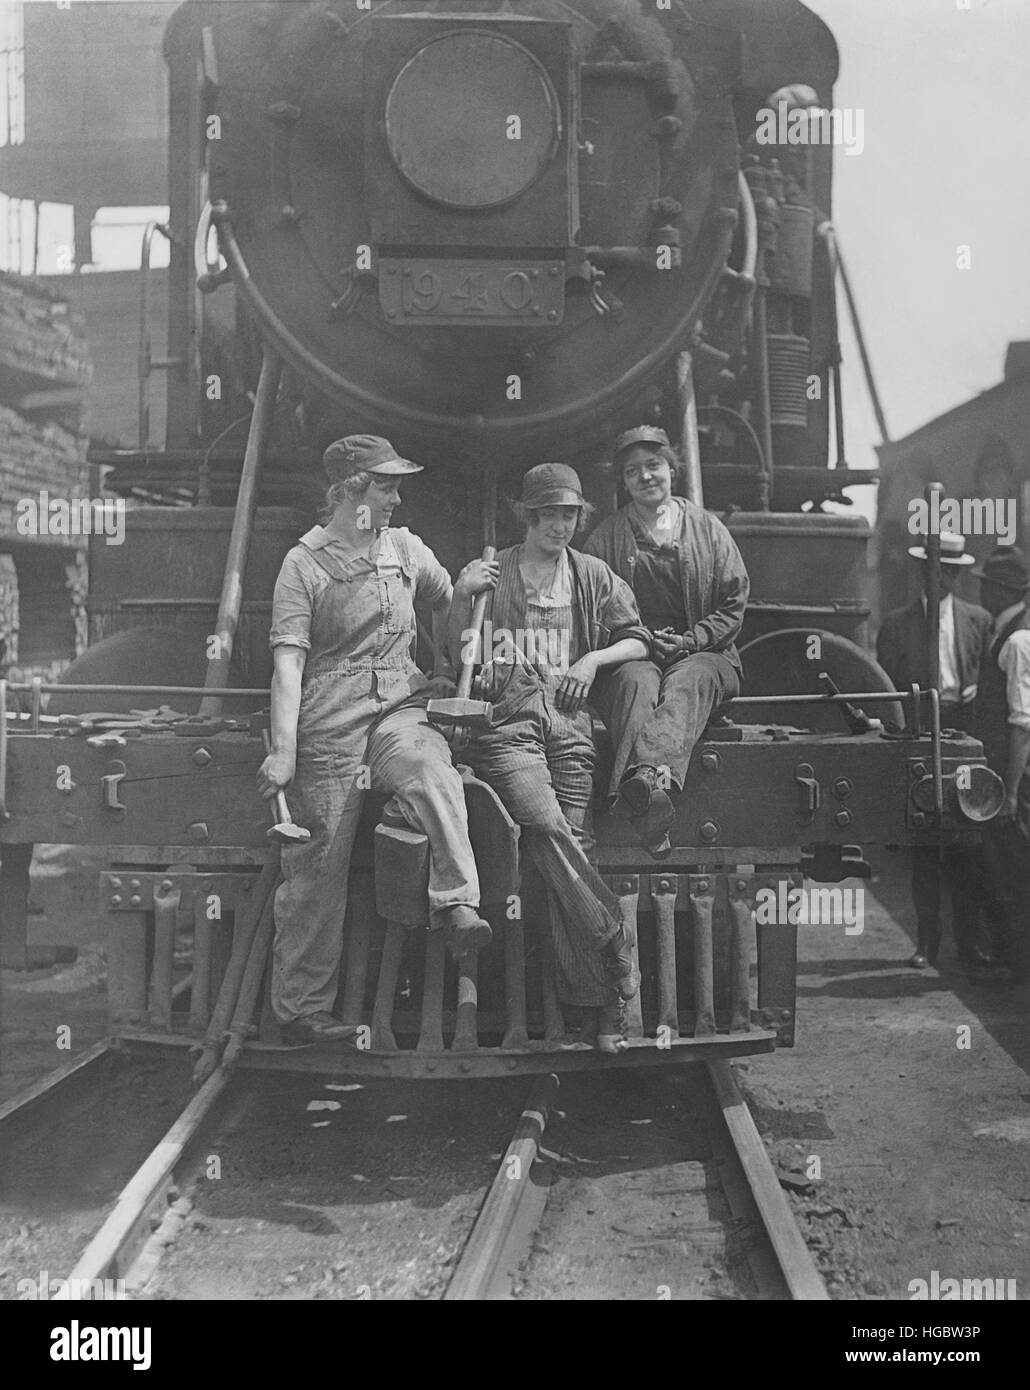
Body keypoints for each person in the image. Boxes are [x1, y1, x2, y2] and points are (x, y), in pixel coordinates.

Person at [259, 435, 490, 1045]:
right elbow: (288, 667)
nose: (396, 496)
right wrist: (284, 752)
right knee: (317, 859)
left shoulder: (407, 548)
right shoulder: (303, 565)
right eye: (385, 485)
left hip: (398, 703)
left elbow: (446, 606)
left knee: (429, 769)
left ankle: (458, 902)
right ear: (349, 490)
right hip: (329, 719)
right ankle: (303, 1011)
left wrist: (463, 592)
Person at [449, 463, 649, 1052]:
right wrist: (462, 596)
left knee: (574, 842)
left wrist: (594, 660)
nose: (560, 526)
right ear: (529, 516)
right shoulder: (495, 570)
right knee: (542, 821)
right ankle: (614, 932)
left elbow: (639, 637)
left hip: (570, 722)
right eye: (549, 515)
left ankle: (601, 1007)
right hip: (508, 725)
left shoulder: (590, 574)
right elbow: (456, 650)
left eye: (569, 515)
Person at [581, 426, 749, 856]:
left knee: (686, 681)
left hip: (706, 654)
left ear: (671, 469)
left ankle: (641, 783)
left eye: (654, 466)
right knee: (636, 684)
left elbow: (734, 602)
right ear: (623, 482)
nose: (645, 477)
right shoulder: (605, 538)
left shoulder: (708, 529)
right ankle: (653, 805)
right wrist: (634, 642)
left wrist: (692, 640)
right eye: (633, 471)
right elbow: (592, 610)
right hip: (635, 653)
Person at [876, 526, 993, 970]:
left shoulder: (978, 621)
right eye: (932, 570)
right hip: (919, 736)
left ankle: (969, 944)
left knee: (966, 847)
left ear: (956, 576)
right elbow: (886, 696)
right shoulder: (896, 624)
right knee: (924, 849)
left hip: (964, 733)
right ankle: (927, 942)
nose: (939, 579)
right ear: (920, 572)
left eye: (947, 572)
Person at [971, 545, 1030, 987]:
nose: (981, 591)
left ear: (1000, 589)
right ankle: (1012, 959)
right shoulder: (1005, 631)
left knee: (1014, 872)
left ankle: (1020, 963)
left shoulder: (1017, 639)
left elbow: (1022, 723)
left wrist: (1010, 793)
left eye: (986, 585)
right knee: (1002, 870)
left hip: (1014, 779)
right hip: (1001, 772)